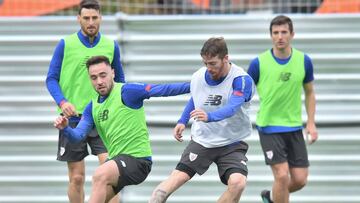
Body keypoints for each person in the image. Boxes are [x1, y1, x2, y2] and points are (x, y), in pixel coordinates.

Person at [54, 55, 190, 203]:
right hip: (116, 163)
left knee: (100, 174)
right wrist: (66, 128)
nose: (99, 81)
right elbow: (78, 136)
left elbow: (163, 89)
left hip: (138, 161)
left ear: (112, 73)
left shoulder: (127, 91)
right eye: (93, 78)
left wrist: (195, 85)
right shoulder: (92, 107)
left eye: (103, 75)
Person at [149, 37, 255, 203]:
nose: (208, 68)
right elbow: (196, 97)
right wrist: (182, 120)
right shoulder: (199, 76)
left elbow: (233, 106)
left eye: (213, 63)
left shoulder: (241, 80)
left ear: (226, 58)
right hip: (203, 140)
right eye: (205, 63)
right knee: (172, 183)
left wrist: (210, 116)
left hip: (231, 142)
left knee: (238, 183)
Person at [45, 0, 125, 202]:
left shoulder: (110, 45)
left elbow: (121, 81)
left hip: (103, 117)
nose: (91, 22)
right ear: (78, 19)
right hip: (73, 119)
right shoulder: (65, 44)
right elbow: (51, 79)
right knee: (77, 178)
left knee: (109, 176)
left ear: (101, 18)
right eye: (86, 18)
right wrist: (63, 102)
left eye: (95, 18)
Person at [247, 15, 318, 203]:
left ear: (292, 34)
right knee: (281, 175)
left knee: (300, 180)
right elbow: (243, 93)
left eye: (284, 32)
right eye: (275, 32)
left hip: (294, 127)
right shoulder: (258, 63)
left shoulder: (304, 61)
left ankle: (270, 197)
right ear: (271, 35)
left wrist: (311, 123)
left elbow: (310, 92)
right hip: (269, 127)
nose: (280, 36)